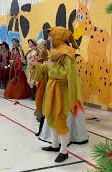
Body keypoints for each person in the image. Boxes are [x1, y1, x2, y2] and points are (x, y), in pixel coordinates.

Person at [33, 26, 88, 163]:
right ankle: (54, 145)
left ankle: (64, 151)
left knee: (60, 118)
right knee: (51, 115)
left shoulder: (68, 53)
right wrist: (38, 65)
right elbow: (50, 68)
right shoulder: (55, 51)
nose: (49, 38)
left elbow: (69, 75)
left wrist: (50, 68)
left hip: (61, 90)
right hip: (52, 88)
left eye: (51, 35)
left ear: (58, 36)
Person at [34, 39, 50, 136]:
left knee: (43, 100)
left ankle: (43, 130)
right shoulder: (44, 52)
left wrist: (37, 64)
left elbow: (42, 65)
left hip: (46, 80)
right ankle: (42, 129)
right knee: (41, 99)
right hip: (43, 78)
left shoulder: (44, 52)